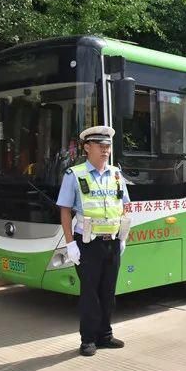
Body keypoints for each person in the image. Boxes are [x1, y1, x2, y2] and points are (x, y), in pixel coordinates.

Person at [56, 126, 130, 357]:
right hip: (87, 244)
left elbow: (125, 205)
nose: (106, 150)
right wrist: (70, 244)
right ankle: (88, 339)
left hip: (112, 242)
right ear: (87, 147)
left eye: (108, 146)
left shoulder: (116, 174)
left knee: (108, 292)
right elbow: (65, 210)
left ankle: (105, 336)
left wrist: (123, 237)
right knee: (90, 294)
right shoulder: (75, 175)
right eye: (101, 145)